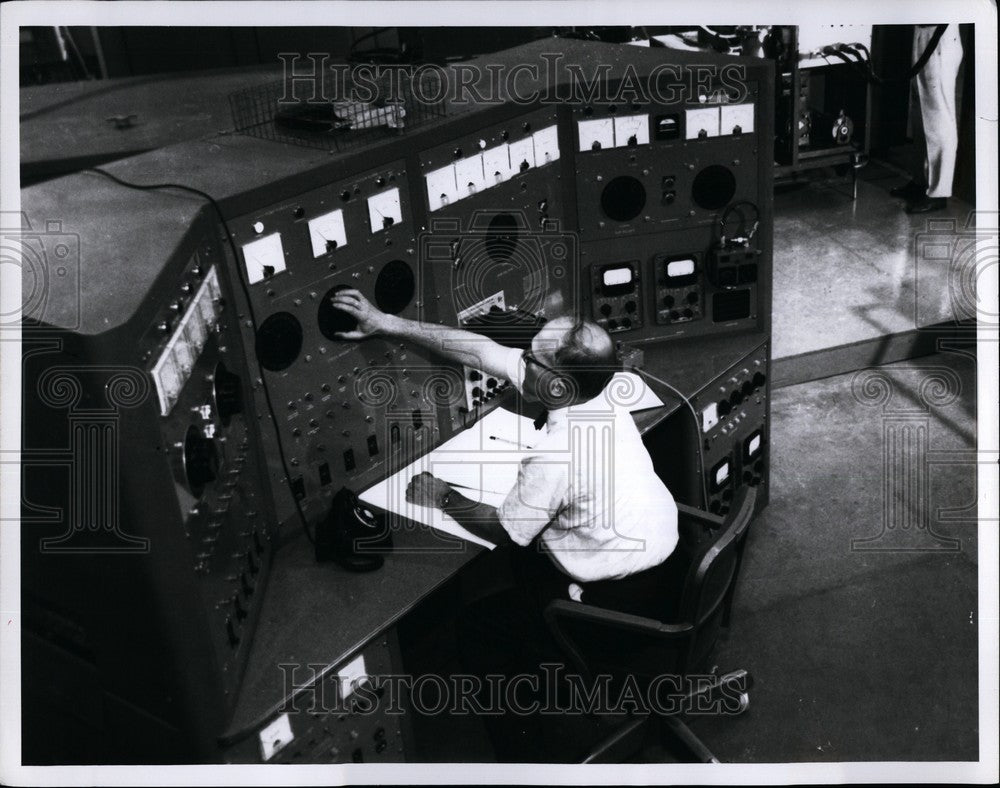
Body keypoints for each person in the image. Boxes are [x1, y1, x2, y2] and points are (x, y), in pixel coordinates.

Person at [329, 288, 685, 760]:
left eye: (533, 360)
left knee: (480, 630)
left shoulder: (560, 452)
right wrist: (386, 322)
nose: (522, 363)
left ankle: (528, 760)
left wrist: (445, 496)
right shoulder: (598, 397)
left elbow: (504, 530)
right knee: (520, 571)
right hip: (673, 572)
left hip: (615, 609)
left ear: (557, 384)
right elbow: (482, 350)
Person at [892, 24, 964, 214]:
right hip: (922, 35)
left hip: (939, 39)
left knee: (939, 115)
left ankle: (939, 193)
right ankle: (920, 181)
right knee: (920, 112)